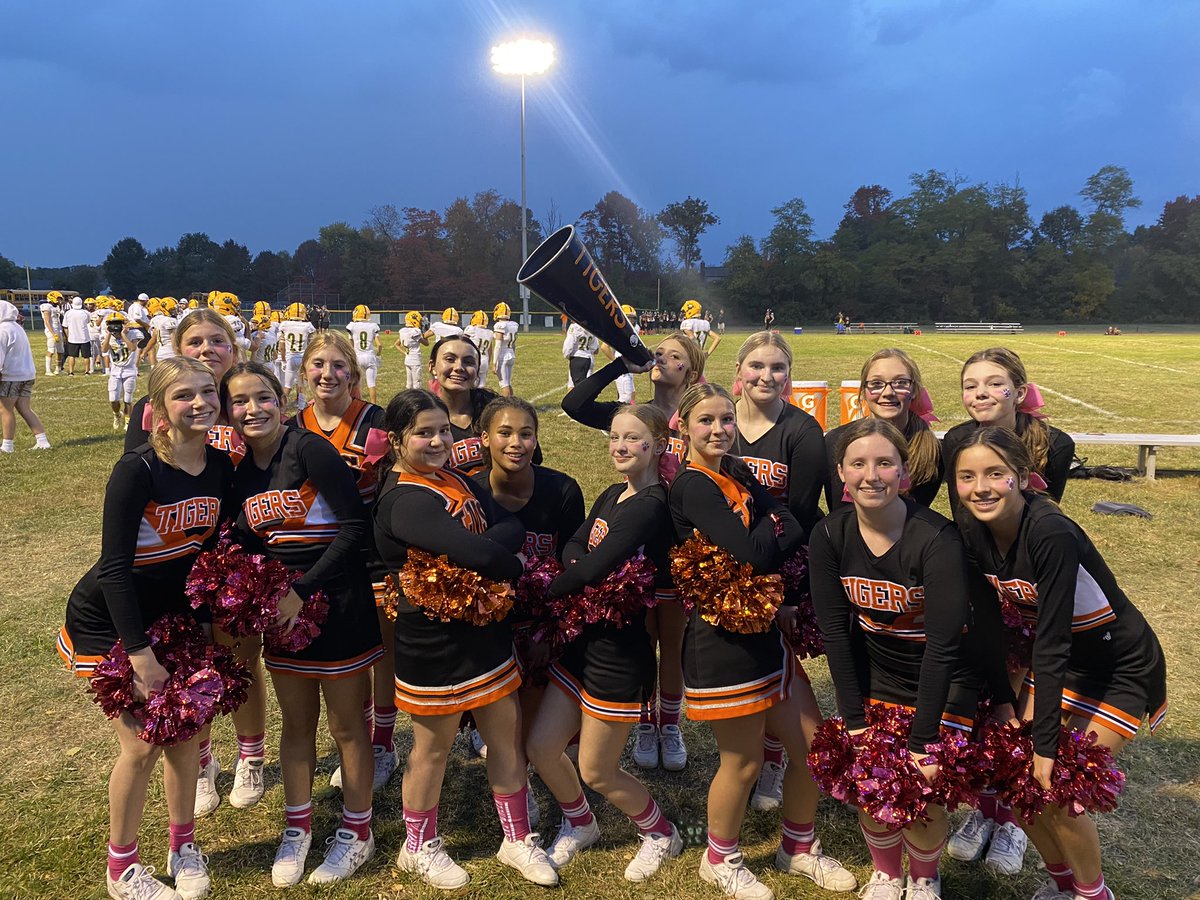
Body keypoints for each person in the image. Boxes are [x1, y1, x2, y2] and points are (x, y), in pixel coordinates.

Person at [951, 427, 1166, 900]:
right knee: (1015, 779)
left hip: (1118, 667)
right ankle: (1062, 885)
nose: (980, 487)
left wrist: (1044, 744)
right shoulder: (971, 529)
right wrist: (1006, 702)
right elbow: (989, 627)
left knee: (1060, 785)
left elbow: (1050, 643)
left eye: (995, 474)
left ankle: (1094, 895)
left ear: (1023, 478)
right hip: (1063, 666)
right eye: (967, 476)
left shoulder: (1050, 531)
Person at [59, 357, 234, 900]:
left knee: (184, 740)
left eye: (208, 392)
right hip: (111, 619)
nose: (200, 403)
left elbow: (204, 559)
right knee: (140, 747)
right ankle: (122, 869)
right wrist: (139, 655)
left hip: (171, 616)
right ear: (157, 410)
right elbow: (114, 568)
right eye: (184, 395)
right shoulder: (137, 469)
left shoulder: (221, 467)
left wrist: (202, 629)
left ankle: (183, 846)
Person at [670, 383, 853, 900]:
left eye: (727, 420)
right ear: (683, 426)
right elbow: (756, 553)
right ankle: (719, 858)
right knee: (744, 762)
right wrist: (772, 536)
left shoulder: (738, 470)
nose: (719, 430)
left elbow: (791, 519)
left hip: (764, 628)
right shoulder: (693, 486)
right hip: (722, 640)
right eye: (706, 421)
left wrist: (771, 537)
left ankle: (797, 847)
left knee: (816, 750)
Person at [374, 389, 559, 890]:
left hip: (484, 633)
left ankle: (517, 837)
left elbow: (510, 530)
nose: (437, 441)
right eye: (423, 433)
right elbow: (490, 556)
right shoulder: (406, 498)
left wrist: (487, 552)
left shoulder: (454, 478)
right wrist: (489, 555)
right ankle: (418, 845)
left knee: (505, 729)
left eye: (443, 431)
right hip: (434, 646)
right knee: (432, 748)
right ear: (396, 440)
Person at [810, 417, 995, 900]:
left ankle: (925, 876)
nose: (872, 475)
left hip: (946, 677)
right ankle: (887, 872)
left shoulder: (937, 540)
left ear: (904, 473)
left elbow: (944, 645)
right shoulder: (829, 535)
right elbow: (835, 633)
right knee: (872, 778)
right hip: (880, 673)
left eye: (884, 463)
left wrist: (923, 738)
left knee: (926, 788)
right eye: (859, 463)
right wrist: (854, 722)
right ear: (842, 474)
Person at [223, 362, 382, 887]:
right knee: (295, 727)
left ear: (281, 398)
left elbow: (355, 527)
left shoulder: (309, 448)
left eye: (263, 397)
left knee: (345, 726)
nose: (253, 409)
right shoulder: (240, 473)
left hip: (336, 604)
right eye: (240, 401)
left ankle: (358, 831)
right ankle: (298, 829)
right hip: (283, 614)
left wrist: (303, 589)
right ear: (229, 410)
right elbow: (247, 546)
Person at [527, 403, 684, 882]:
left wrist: (539, 593)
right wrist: (578, 568)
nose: (619, 445)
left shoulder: (652, 505)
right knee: (541, 747)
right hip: (581, 646)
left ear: (659, 445)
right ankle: (581, 821)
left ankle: (661, 832)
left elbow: (595, 565)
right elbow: (575, 545)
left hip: (619, 654)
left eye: (633, 438)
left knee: (597, 770)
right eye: (614, 436)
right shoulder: (614, 494)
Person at [124, 309, 268, 820]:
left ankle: (251, 754)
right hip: (180, 561)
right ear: (178, 348)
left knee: (241, 661)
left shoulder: (244, 399)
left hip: (234, 557)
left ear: (234, 345)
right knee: (197, 666)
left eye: (217, 341)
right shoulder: (164, 405)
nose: (206, 349)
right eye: (195, 341)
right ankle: (203, 761)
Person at [561, 331, 706, 771]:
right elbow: (575, 406)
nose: (661, 358)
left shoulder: (700, 417)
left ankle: (670, 721)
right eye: (658, 351)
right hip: (632, 551)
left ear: (692, 371)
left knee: (675, 642)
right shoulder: (633, 416)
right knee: (640, 639)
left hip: (681, 548)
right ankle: (645, 719)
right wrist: (622, 364)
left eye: (673, 355)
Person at [727, 333, 828, 814]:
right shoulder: (721, 421)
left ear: (789, 375)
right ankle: (763, 752)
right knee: (748, 663)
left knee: (780, 662)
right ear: (739, 370)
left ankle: (776, 758)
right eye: (757, 366)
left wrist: (763, 572)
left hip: (779, 563)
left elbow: (804, 516)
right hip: (723, 565)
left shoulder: (803, 431)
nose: (766, 376)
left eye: (778, 368)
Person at [292, 332, 397, 793]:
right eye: (318, 365)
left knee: (381, 648)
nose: (327, 374)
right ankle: (358, 734)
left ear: (353, 375)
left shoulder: (376, 421)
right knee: (342, 658)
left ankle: (383, 742)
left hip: (370, 549)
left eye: (338, 366)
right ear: (304, 372)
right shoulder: (293, 425)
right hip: (316, 552)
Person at [472, 396, 585, 763]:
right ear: (484, 438)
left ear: (536, 440)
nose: (516, 443)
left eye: (526, 434)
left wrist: (548, 635)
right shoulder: (469, 491)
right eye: (504, 432)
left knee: (538, 740)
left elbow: (572, 571)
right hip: (491, 623)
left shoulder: (562, 491)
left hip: (543, 621)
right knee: (506, 734)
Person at [942, 347, 1075, 512]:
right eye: (970, 386)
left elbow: (1046, 514)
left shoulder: (1056, 444)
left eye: (995, 384)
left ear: (1019, 394)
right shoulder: (956, 440)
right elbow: (962, 513)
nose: (980, 393)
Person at [825, 349, 944, 511]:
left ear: (915, 390)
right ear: (864, 392)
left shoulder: (930, 451)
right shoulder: (835, 441)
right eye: (876, 384)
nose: (888, 392)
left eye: (901, 383)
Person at [0, 300, 52, 452]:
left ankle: (7, 445)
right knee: (24, 407)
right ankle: (42, 440)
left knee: (5, 409)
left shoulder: (2, 330)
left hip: (11, 375)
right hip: (27, 374)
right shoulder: (17, 327)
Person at [104, 313, 142, 432]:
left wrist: (124, 334)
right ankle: (117, 415)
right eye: (112, 324)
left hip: (129, 371)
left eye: (117, 324)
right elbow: (104, 350)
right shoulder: (108, 336)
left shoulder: (133, 334)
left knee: (128, 399)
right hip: (115, 372)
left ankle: (127, 420)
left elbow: (132, 348)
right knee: (113, 399)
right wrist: (108, 335)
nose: (114, 327)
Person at [278, 303, 316, 410]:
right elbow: (311, 344)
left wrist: (284, 360)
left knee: (288, 386)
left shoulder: (285, 325)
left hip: (290, 358)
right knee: (301, 384)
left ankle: (281, 408)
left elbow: (282, 346)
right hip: (303, 358)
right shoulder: (308, 326)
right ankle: (301, 407)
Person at [345, 304, 383, 405]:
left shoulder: (352, 326)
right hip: (370, 357)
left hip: (358, 356)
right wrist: (378, 356)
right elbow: (379, 345)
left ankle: (359, 404)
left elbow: (350, 345)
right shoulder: (373, 326)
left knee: (357, 384)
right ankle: (374, 405)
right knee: (371, 383)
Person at [492, 302, 519, 398]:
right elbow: (514, 344)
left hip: (503, 354)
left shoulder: (499, 325)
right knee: (508, 382)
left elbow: (498, 345)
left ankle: (507, 405)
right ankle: (513, 403)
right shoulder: (513, 324)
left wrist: (494, 363)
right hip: (511, 352)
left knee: (503, 384)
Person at [394, 311, 427, 389]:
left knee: (409, 384)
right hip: (415, 360)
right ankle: (417, 400)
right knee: (417, 384)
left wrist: (405, 353)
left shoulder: (403, 331)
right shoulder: (415, 332)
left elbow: (396, 344)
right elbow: (426, 343)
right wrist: (424, 332)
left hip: (407, 359)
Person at [562, 320, 599, 388]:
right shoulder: (592, 326)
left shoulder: (574, 327)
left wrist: (567, 355)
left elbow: (568, 345)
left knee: (577, 388)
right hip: (589, 358)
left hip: (577, 358)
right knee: (587, 386)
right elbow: (595, 348)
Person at [62, 296, 93, 375]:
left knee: (71, 356)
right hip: (84, 337)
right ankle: (87, 371)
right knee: (86, 356)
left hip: (72, 338)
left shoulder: (68, 313)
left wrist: (67, 336)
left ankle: (71, 372)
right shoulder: (86, 313)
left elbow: (65, 326)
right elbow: (89, 322)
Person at [465, 311, 494, 389]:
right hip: (484, 359)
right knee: (481, 385)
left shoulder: (471, 329)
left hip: (474, 359)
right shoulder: (489, 332)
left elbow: (463, 342)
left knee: (470, 384)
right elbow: (489, 350)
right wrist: (488, 361)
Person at [40, 290, 65, 375]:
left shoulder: (56, 307)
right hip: (51, 331)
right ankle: (48, 370)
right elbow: (47, 322)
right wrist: (53, 333)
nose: (60, 301)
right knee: (51, 350)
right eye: (58, 299)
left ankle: (58, 369)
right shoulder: (46, 306)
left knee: (60, 350)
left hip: (58, 330)